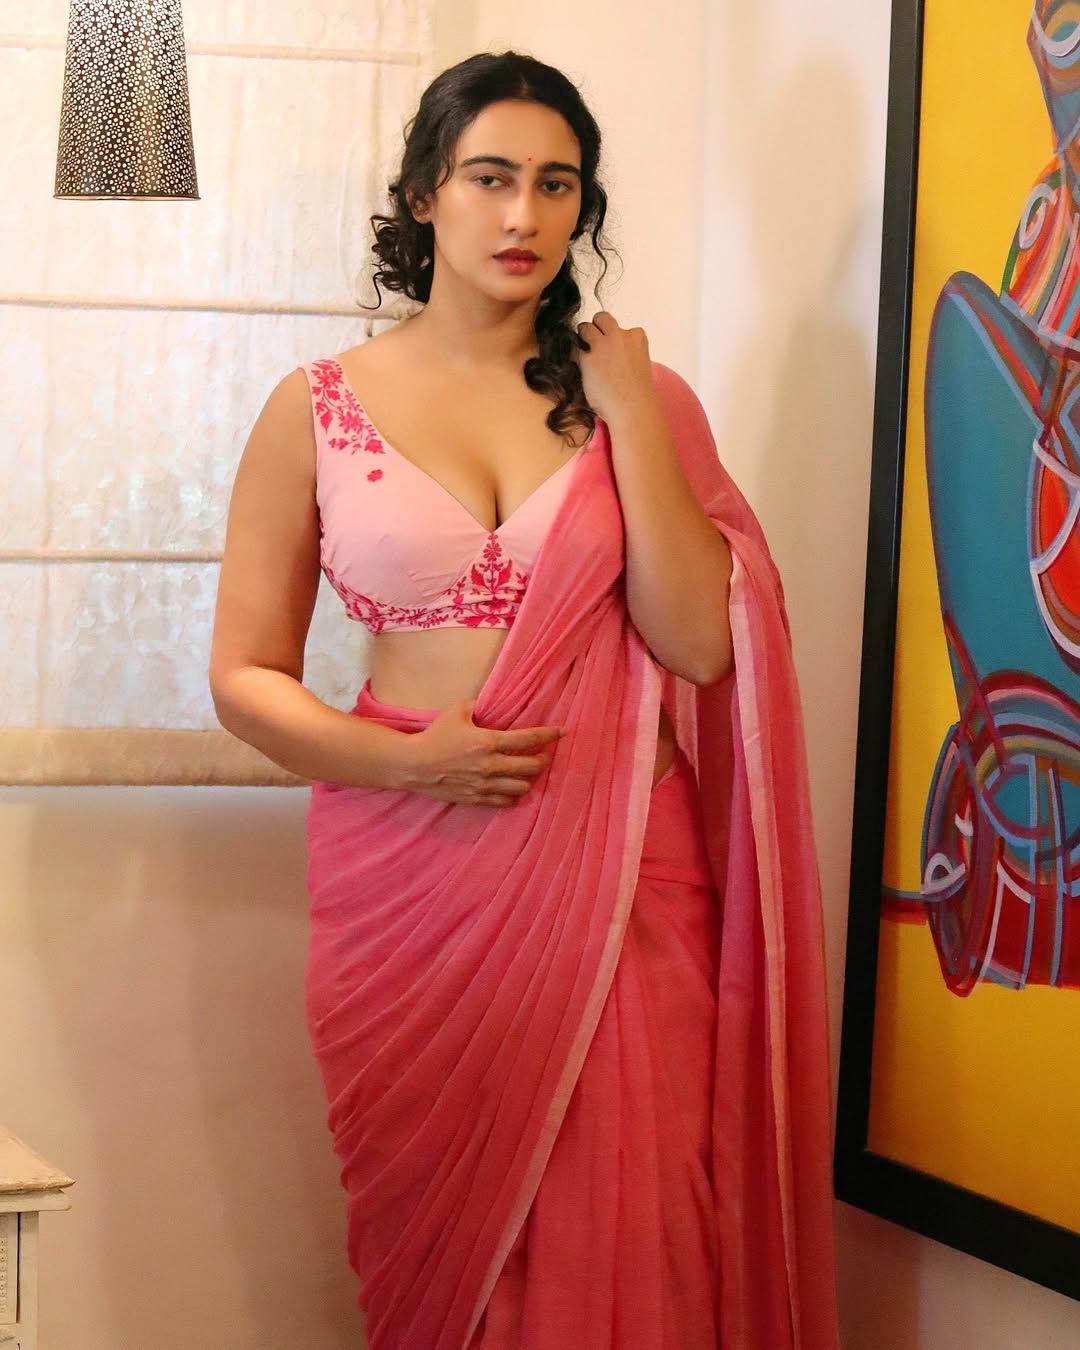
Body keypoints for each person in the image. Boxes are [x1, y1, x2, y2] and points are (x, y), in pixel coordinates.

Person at [209, 49, 839, 1350]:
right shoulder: (315, 409)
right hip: (407, 873)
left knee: (643, 1217)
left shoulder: (641, 400)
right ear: (424, 195)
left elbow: (697, 642)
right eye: (491, 177)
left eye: (558, 185)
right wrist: (405, 763)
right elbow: (244, 676)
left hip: (627, 873)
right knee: (448, 1255)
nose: (524, 214)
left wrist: (634, 416)